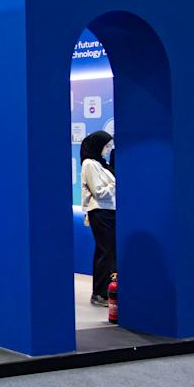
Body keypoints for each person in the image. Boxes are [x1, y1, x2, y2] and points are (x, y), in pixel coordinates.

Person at [81, 130, 117, 307]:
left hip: (109, 211)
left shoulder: (102, 164)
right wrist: (116, 183)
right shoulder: (90, 164)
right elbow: (99, 192)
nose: (109, 149)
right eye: (106, 146)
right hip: (100, 212)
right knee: (106, 252)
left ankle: (108, 291)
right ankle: (99, 293)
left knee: (108, 251)